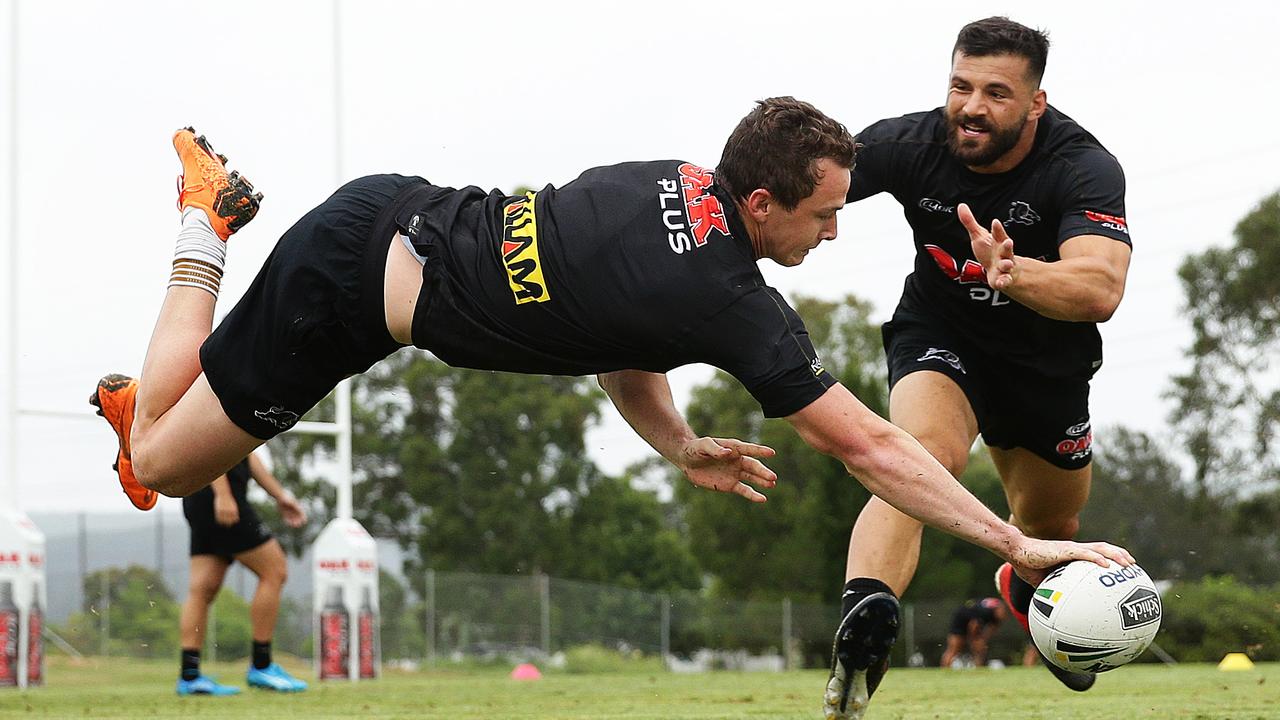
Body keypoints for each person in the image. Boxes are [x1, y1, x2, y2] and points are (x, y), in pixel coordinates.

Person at [88, 98, 1130, 712]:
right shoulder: (731, 304)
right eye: (820, 215)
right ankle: (206, 221)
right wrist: (1018, 544)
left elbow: (618, 346)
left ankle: (161, 373)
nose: (831, 232)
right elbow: (871, 446)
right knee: (159, 461)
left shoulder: (677, 182)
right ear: (761, 203)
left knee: (163, 430)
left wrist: (677, 446)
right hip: (345, 286)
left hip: (379, 237)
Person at [825, 16, 1134, 718]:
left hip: (1045, 364)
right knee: (926, 455)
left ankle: (1024, 587)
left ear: (1036, 103)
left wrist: (1016, 274)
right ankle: (865, 617)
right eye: (961, 86)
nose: (971, 106)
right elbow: (799, 179)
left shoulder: (1081, 167)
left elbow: (1100, 288)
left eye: (997, 92)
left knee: (1052, 526)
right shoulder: (908, 143)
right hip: (940, 334)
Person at [175, 450, 309, 695]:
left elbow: (244, 452)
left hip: (198, 498)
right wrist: (223, 495)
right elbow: (207, 447)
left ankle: (190, 676)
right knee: (274, 570)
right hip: (221, 498)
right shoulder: (214, 410)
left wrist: (279, 496)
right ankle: (262, 665)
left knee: (202, 588)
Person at [940, 598, 1006, 668]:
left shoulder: (996, 618)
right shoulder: (986, 612)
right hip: (961, 620)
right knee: (954, 648)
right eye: (1003, 611)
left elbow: (991, 630)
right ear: (997, 609)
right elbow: (973, 625)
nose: (1004, 615)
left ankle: (979, 667)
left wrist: (982, 640)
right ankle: (945, 668)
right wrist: (974, 640)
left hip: (972, 624)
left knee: (980, 648)